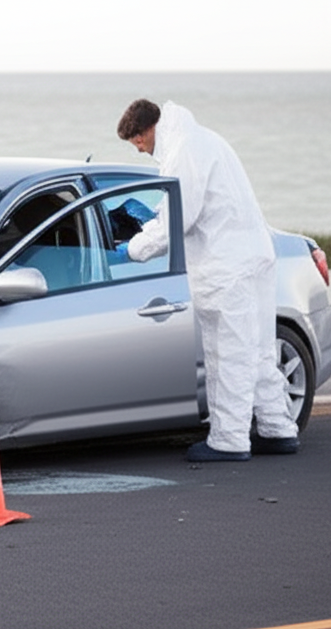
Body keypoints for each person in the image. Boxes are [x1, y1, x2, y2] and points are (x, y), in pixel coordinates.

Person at [116, 99, 300, 462]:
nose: (138, 148)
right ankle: (278, 429)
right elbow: (192, 203)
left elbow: (179, 218)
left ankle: (229, 440)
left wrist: (133, 249)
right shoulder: (204, 140)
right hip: (253, 257)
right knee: (258, 349)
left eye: (136, 141)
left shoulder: (185, 150)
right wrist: (154, 218)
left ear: (146, 130)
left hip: (226, 267)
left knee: (227, 353)